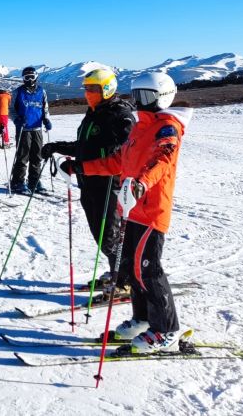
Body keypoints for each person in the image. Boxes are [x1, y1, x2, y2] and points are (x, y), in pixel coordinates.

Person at [67, 71, 190, 354]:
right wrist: (81, 167)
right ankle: (143, 319)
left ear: (163, 97)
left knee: (149, 270)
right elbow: (118, 161)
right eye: (136, 96)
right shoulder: (139, 127)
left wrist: (140, 184)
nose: (140, 102)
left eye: (146, 96)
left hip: (151, 210)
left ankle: (167, 330)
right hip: (131, 209)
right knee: (133, 271)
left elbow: (163, 159)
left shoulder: (167, 126)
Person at [41, 68, 134, 286]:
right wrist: (57, 147)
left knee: (110, 236)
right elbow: (86, 147)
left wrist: (81, 167)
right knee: (102, 236)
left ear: (107, 89)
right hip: (89, 184)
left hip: (109, 185)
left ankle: (125, 280)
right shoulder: (93, 113)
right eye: (86, 88)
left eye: (93, 88)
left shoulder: (120, 116)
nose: (88, 93)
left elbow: (122, 157)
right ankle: (118, 273)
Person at [10, 66, 51, 195]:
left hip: (37, 128)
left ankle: (34, 181)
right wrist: (17, 120)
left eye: (31, 77)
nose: (29, 79)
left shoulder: (41, 91)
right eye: (26, 77)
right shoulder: (18, 92)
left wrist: (46, 119)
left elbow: (45, 108)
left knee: (37, 156)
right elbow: (11, 110)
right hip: (24, 128)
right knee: (23, 156)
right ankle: (18, 181)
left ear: (36, 77)